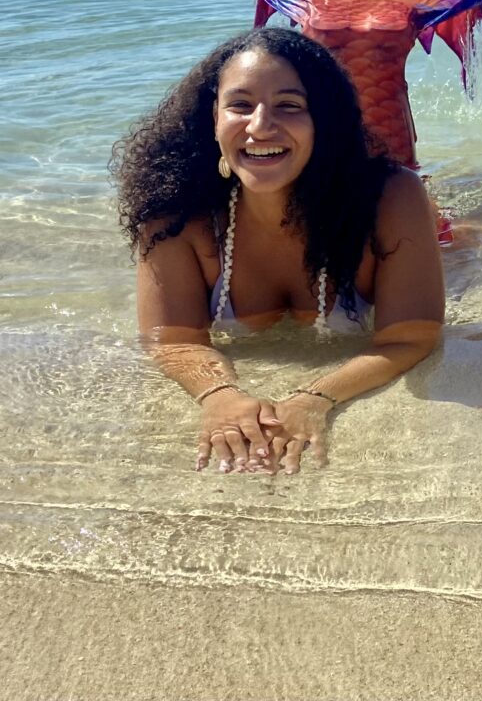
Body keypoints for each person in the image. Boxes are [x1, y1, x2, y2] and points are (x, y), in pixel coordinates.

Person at [112, 27, 444, 473]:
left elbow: (412, 334)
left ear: (322, 121)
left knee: (460, 243)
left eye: (289, 106)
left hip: (411, 234)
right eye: (240, 105)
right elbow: (172, 339)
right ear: (215, 117)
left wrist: (317, 397)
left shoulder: (391, 197)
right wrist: (221, 396)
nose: (260, 126)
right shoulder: (174, 212)